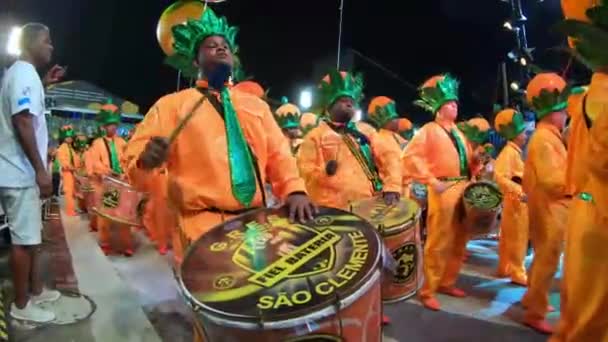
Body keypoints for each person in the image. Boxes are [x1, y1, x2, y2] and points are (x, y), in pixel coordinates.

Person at [122, 9, 316, 270]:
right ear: (195, 61)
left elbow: (279, 154)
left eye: (225, 46)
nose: (221, 49)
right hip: (200, 228)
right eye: (211, 46)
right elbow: (134, 167)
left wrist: (294, 190)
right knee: (214, 303)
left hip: (256, 223)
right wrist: (145, 160)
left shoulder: (255, 106)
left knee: (254, 300)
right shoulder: (171, 107)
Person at [551, 2, 608, 339]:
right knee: (590, 318)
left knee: (583, 309)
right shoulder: (602, 93)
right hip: (597, 213)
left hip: (589, 207)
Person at [0, 23, 64, 323]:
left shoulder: (23, 74)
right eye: (47, 41)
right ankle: (22, 305)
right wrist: (41, 171)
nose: (51, 46)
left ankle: (35, 290)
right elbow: (23, 120)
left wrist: (45, 84)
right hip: (20, 173)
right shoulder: (24, 73)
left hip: (20, 172)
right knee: (24, 243)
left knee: (32, 237)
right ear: (29, 43)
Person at [401, 74, 481, 311]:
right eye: (450, 103)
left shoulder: (459, 133)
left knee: (460, 239)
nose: (455, 105)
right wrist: (432, 181)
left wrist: (476, 161)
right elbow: (410, 157)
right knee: (439, 241)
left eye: (456, 102)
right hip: (443, 188)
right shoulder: (429, 130)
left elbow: (467, 162)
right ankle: (428, 290)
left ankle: (447, 282)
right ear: (438, 107)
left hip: (463, 187)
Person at [297, 70, 402, 210]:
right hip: (331, 210)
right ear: (329, 105)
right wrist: (324, 173)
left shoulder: (366, 131)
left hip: (367, 205)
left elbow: (389, 157)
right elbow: (304, 170)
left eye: (351, 102)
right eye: (343, 101)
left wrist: (392, 186)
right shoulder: (315, 136)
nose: (349, 105)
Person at [520, 73, 571, 334]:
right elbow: (553, 181)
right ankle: (535, 311)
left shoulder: (547, 137)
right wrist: (577, 183)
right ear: (553, 114)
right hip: (551, 206)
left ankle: (532, 299)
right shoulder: (544, 139)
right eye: (563, 112)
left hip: (548, 205)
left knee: (543, 257)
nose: (566, 117)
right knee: (547, 259)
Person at [89, 100, 133, 256]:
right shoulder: (97, 143)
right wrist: (107, 171)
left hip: (121, 183)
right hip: (107, 184)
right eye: (109, 125)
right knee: (106, 216)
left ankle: (127, 245)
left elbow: (128, 160)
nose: (112, 128)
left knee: (124, 217)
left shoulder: (122, 142)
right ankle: (105, 243)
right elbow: (94, 163)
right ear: (103, 127)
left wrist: (124, 172)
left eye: (114, 125)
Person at [493, 109, 529, 286]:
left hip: (515, 201)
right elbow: (500, 177)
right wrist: (519, 192)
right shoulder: (509, 153)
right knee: (518, 238)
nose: (525, 135)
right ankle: (517, 271)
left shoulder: (513, 152)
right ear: (516, 135)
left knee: (509, 238)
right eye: (523, 132)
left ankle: (505, 267)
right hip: (516, 202)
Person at [56, 125, 80, 216]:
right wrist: (71, 167)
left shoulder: (70, 148)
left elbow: (75, 160)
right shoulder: (62, 148)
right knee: (69, 192)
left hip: (72, 173)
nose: (69, 139)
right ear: (64, 138)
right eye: (67, 137)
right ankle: (70, 211)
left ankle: (73, 209)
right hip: (67, 173)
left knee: (73, 192)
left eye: (70, 137)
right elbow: (63, 162)